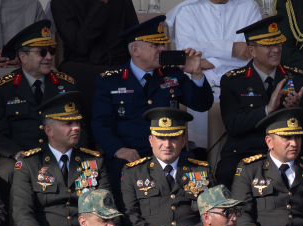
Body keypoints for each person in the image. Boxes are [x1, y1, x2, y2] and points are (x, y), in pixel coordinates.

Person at [91, 15, 215, 195]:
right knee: (117, 175)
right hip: (130, 154)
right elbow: (100, 123)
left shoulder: (172, 75)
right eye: (155, 45)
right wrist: (119, 150)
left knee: (198, 173)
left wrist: (196, 74)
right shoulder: (110, 81)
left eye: (163, 44)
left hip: (171, 151)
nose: (162, 49)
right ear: (135, 50)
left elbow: (202, 104)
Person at [11, 91, 108, 226]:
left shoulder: (94, 161)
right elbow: (22, 208)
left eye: (77, 123)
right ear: (49, 130)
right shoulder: (29, 163)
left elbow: (106, 205)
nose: (76, 128)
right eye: (68, 124)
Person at [216, 15, 303, 185]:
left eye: (278, 44)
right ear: (251, 51)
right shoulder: (233, 81)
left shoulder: (298, 78)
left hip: (287, 152)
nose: (276, 50)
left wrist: (297, 111)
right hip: (246, 152)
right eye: (268, 45)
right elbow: (233, 125)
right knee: (226, 172)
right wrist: (267, 110)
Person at [120, 107, 210, 226]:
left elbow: (212, 213)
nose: (167, 144)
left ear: (183, 141)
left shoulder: (201, 169)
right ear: (151, 140)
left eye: (173, 138)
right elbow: (130, 215)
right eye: (161, 137)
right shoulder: (133, 172)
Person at [166, 0, 262, 149]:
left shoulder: (248, 7)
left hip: (239, 78)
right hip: (203, 77)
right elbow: (186, 51)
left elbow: (251, 52)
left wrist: (210, 60)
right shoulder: (187, 10)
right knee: (197, 92)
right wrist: (231, 49)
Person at [0, 20, 81, 168]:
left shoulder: (66, 84)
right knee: (7, 170)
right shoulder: (3, 87)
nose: (49, 57)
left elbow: (82, 127)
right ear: (23, 57)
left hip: (58, 153)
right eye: (42, 52)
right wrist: (18, 154)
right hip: (19, 155)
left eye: (51, 51)